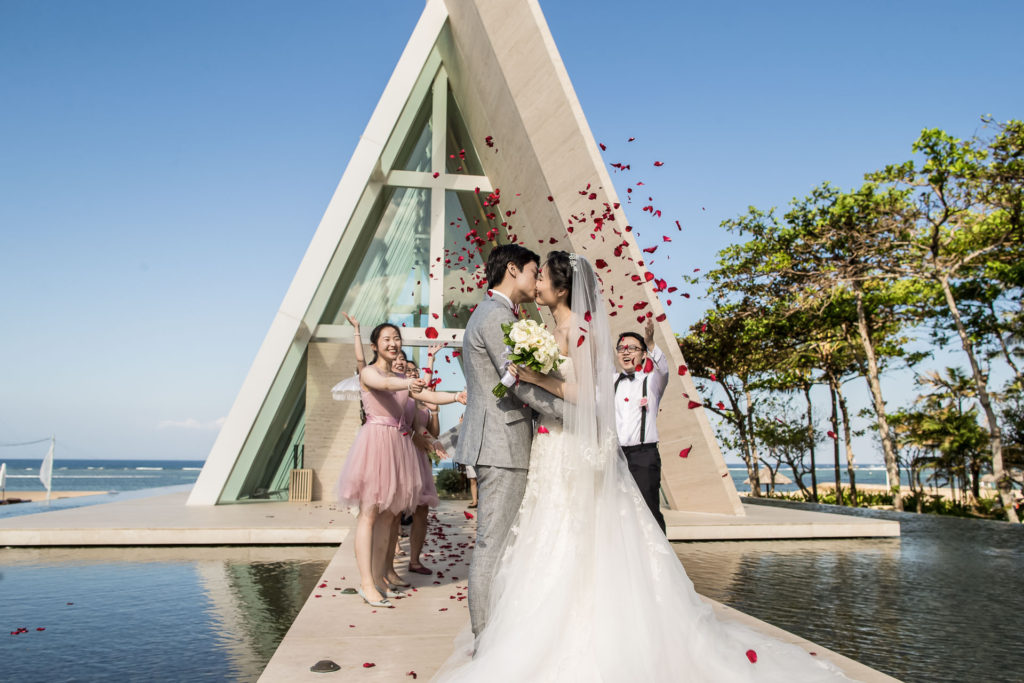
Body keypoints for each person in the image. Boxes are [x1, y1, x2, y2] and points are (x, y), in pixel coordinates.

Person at [436, 252, 849, 681]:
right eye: (533, 274)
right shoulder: (533, 326)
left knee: (573, 533)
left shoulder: (576, 329)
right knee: (544, 535)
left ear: (561, 290)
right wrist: (539, 390)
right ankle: (517, 630)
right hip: (549, 444)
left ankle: (572, 632)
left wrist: (539, 381)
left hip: (566, 442)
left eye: (542, 277)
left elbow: (590, 397)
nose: (536, 282)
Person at [453, 243, 565, 639]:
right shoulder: (495, 316)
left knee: (500, 547)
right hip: (500, 445)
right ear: (514, 270)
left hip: (504, 441)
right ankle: (485, 644)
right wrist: (572, 413)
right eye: (535, 272)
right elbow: (515, 383)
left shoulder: (497, 313)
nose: (537, 280)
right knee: (491, 546)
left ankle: (495, 635)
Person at [335, 322, 466, 608]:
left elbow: (428, 396)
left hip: (398, 445)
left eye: (396, 338)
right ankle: (366, 583)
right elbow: (385, 384)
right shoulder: (369, 373)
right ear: (374, 345)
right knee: (369, 514)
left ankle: (381, 577)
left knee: (388, 516)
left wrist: (456, 396)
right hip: (375, 443)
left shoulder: (401, 376)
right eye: (387, 339)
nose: (393, 343)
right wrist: (408, 382)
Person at [613, 318, 669, 533]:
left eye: (632, 348)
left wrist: (651, 342)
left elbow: (663, 369)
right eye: (621, 349)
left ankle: (659, 563)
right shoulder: (610, 382)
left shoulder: (652, 381)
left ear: (643, 354)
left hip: (644, 456)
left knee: (649, 510)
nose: (626, 353)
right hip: (615, 456)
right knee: (618, 511)